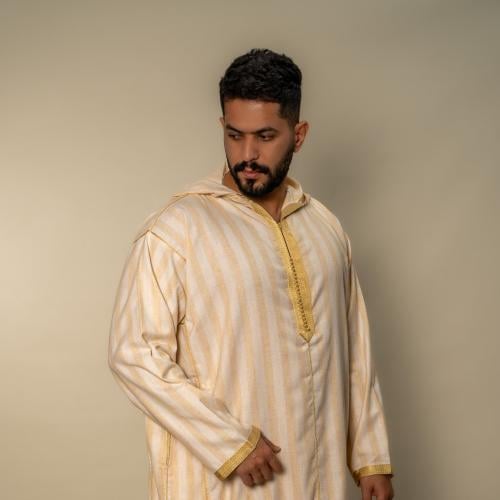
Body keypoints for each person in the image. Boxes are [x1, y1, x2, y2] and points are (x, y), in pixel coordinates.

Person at [108, 48, 395, 500]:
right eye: (234, 135)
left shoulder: (325, 228)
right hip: (223, 482)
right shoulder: (176, 231)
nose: (247, 154)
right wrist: (229, 442)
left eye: (265, 136)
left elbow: (354, 347)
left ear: (298, 135)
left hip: (321, 481)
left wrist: (369, 457)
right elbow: (134, 355)